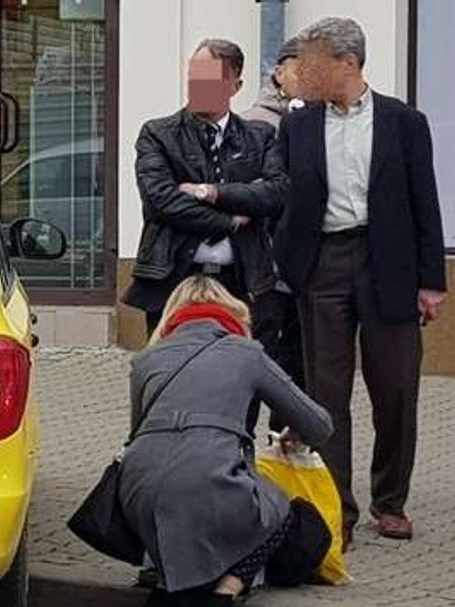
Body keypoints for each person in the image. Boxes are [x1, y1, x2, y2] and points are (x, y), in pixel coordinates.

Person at [272, 18, 447, 543]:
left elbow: (425, 200)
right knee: (326, 394)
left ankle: (390, 501)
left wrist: (431, 280)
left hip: (387, 264)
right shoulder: (297, 125)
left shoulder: (404, 122)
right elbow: (282, 195)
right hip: (322, 264)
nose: (300, 72)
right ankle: (336, 511)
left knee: (396, 389)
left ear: (347, 64)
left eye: (310, 63)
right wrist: (287, 262)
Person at [120, 276, 332, 607]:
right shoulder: (246, 353)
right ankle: (225, 593)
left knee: (180, 502)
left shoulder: (146, 360)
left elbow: (136, 433)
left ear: (172, 315)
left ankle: (170, 588)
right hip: (211, 481)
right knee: (276, 506)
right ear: (234, 313)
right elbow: (320, 425)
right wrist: (294, 431)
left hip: (137, 491)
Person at [124, 39, 288, 339]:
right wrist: (229, 221)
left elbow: (276, 194)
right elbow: (161, 200)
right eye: (194, 77)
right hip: (174, 279)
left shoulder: (260, 136)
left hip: (243, 282)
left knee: (243, 364)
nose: (198, 87)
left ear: (235, 86)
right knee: (174, 364)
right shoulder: (158, 134)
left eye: (209, 79)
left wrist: (210, 192)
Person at [242, 36, 308, 430]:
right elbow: (254, 194)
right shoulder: (257, 123)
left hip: (307, 267)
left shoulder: (321, 120)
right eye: (300, 68)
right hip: (266, 267)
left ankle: (287, 442)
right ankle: (245, 439)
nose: (307, 77)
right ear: (279, 72)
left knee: (300, 365)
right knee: (260, 354)